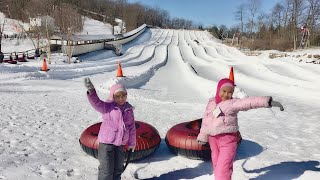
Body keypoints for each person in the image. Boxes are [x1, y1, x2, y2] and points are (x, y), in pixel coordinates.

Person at [197, 78, 284, 180]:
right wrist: (203, 135)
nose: (226, 95)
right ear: (218, 90)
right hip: (213, 140)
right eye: (224, 91)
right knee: (216, 166)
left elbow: (248, 102)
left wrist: (267, 101)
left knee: (223, 169)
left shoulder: (232, 103)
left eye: (230, 92)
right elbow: (206, 119)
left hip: (227, 140)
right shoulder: (212, 103)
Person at [84, 77, 136, 180]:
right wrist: (92, 91)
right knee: (106, 170)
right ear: (113, 96)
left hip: (120, 144)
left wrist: (131, 143)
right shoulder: (107, 107)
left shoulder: (128, 109)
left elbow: (132, 127)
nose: (121, 99)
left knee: (118, 169)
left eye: (123, 96)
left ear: (126, 95)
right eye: (117, 96)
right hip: (107, 143)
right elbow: (96, 103)